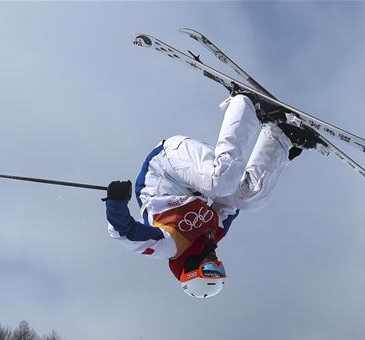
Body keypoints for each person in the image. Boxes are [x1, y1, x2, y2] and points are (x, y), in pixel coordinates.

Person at [103, 93, 323, 299]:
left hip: (165, 165)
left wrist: (117, 201)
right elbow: (232, 204)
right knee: (250, 199)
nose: (216, 262)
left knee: (222, 181)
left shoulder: (168, 245)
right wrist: (273, 161)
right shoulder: (213, 233)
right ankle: (281, 136)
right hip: (196, 181)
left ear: (191, 268)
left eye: (209, 269)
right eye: (220, 269)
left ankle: (244, 103)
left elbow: (125, 234)